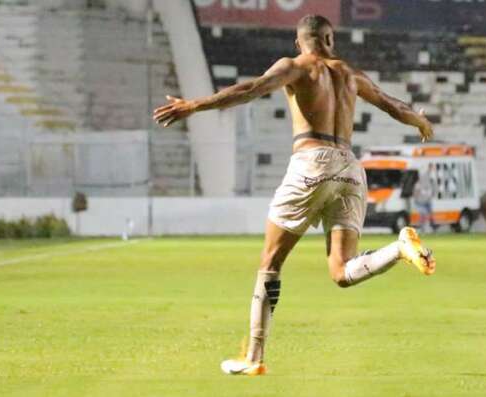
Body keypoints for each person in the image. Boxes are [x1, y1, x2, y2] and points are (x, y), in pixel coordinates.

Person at [152, 14, 436, 376]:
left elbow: (251, 89)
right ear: (330, 40)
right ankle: (399, 248)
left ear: (298, 41)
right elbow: (392, 104)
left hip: (311, 162)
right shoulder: (349, 73)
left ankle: (253, 357)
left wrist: (195, 106)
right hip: (350, 167)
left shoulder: (295, 66)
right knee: (340, 271)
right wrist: (421, 122)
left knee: (270, 261)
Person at [412, 165, 435, 233]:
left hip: (427, 201)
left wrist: (429, 169)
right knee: (423, 214)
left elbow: (427, 174)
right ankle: (423, 228)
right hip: (421, 202)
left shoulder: (426, 180)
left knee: (429, 214)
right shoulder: (418, 184)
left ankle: (431, 226)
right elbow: (415, 194)